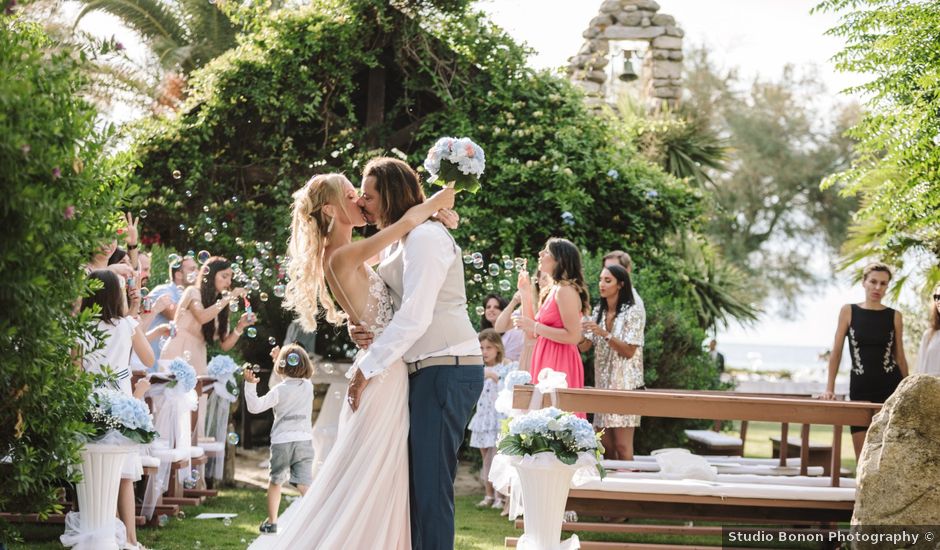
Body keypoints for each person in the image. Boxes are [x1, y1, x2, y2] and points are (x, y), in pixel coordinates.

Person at [248, 168, 458, 550]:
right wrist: (438, 201)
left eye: (361, 194)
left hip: (382, 365)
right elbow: (407, 221)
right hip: (384, 372)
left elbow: (401, 241)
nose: (360, 200)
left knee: (373, 469)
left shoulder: (347, 253)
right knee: (374, 469)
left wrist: (437, 216)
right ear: (330, 210)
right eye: (350, 195)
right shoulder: (342, 254)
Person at [78, 270, 156, 550]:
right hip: (121, 403)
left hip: (89, 402)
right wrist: (134, 321)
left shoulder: (81, 327)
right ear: (116, 295)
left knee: (95, 474)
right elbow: (149, 358)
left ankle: (103, 536)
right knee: (123, 475)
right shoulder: (126, 326)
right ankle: (131, 541)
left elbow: (75, 370)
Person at [820, 262, 909, 458]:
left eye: (883, 284)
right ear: (864, 282)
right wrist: (829, 388)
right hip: (860, 387)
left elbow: (900, 357)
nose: (878, 288)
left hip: (889, 387)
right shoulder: (848, 311)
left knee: (886, 454)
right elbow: (836, 353)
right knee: (861, 453)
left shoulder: (894, 316)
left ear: (887, 287)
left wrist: (907, 391)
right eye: (873, 282)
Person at [244, 344, 315, 534]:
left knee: (276, 481)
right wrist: (281, 361)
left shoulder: (279, 390)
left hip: (282, 441)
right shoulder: (308, 387)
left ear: (282, 368)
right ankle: (317, 519)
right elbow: (290, 377)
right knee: (304, 483)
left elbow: (255, 407)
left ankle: (272, 522)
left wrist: (250, 385)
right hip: (304, 440)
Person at [514, 238, 589, 414]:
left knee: (558, 418)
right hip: (545, 356)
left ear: (559, 260)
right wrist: (525, 293)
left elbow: (573, 336)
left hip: (560, 360)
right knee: (543, 419)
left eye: (546, 251)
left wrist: (535, 326)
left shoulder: (566, 291)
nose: (540, 254)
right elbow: (532, 333)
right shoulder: (552, 289)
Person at [579, 264, 645, 460]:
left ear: (621, 284)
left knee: (623, 446)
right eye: (600, 280)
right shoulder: (598, 310)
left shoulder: (632, 312)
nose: (601, 284)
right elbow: (585, 347)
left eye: (607, 281)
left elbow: (629, 351)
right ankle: (610, 488)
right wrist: (579, 333)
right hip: (603, 388)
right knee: (604, 446)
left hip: (626, 388)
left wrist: (605, 334)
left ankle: (630, 488)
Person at [160, 256, 254, 375]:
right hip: (177, 350)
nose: (229, 282)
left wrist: (240, 327)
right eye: (224, 276)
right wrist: (229, 297)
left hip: (199, 355)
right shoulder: (193, 292)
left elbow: (224, 345)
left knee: (198, 393)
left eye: (231, 277)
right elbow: (202, 317)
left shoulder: (221, 305)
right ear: (211, 275)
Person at [467, 329, 511, 510]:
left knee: (498, 457)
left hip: (497, 418)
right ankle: (489, 494)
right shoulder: (478, 370)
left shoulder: (505, 368)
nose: (485, 352)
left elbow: (507, 390)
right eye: (481, 348)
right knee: (486, 457)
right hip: (483, 419)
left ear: (497, 348)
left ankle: (501, 495)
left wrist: (497, 377)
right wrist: (485, 374)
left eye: (489, 348)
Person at [147, 255, 198, 362]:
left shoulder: (190, 295)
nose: (197, 273)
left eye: (197, 268)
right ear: (179, 274)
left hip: (173, 361)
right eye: (192, 269)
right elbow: (174, 315)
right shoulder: (163, 290)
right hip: (152, 363)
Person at [482, 293, 524, 361]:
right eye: (488, 307)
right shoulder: (481, 335)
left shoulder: (515, 332)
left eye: (496, 307)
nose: (491, 310)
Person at [916, 283, 940, 375]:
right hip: (932, 388)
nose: (938, 301)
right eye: (937, 297)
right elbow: (919, 370)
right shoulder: (929, 334)